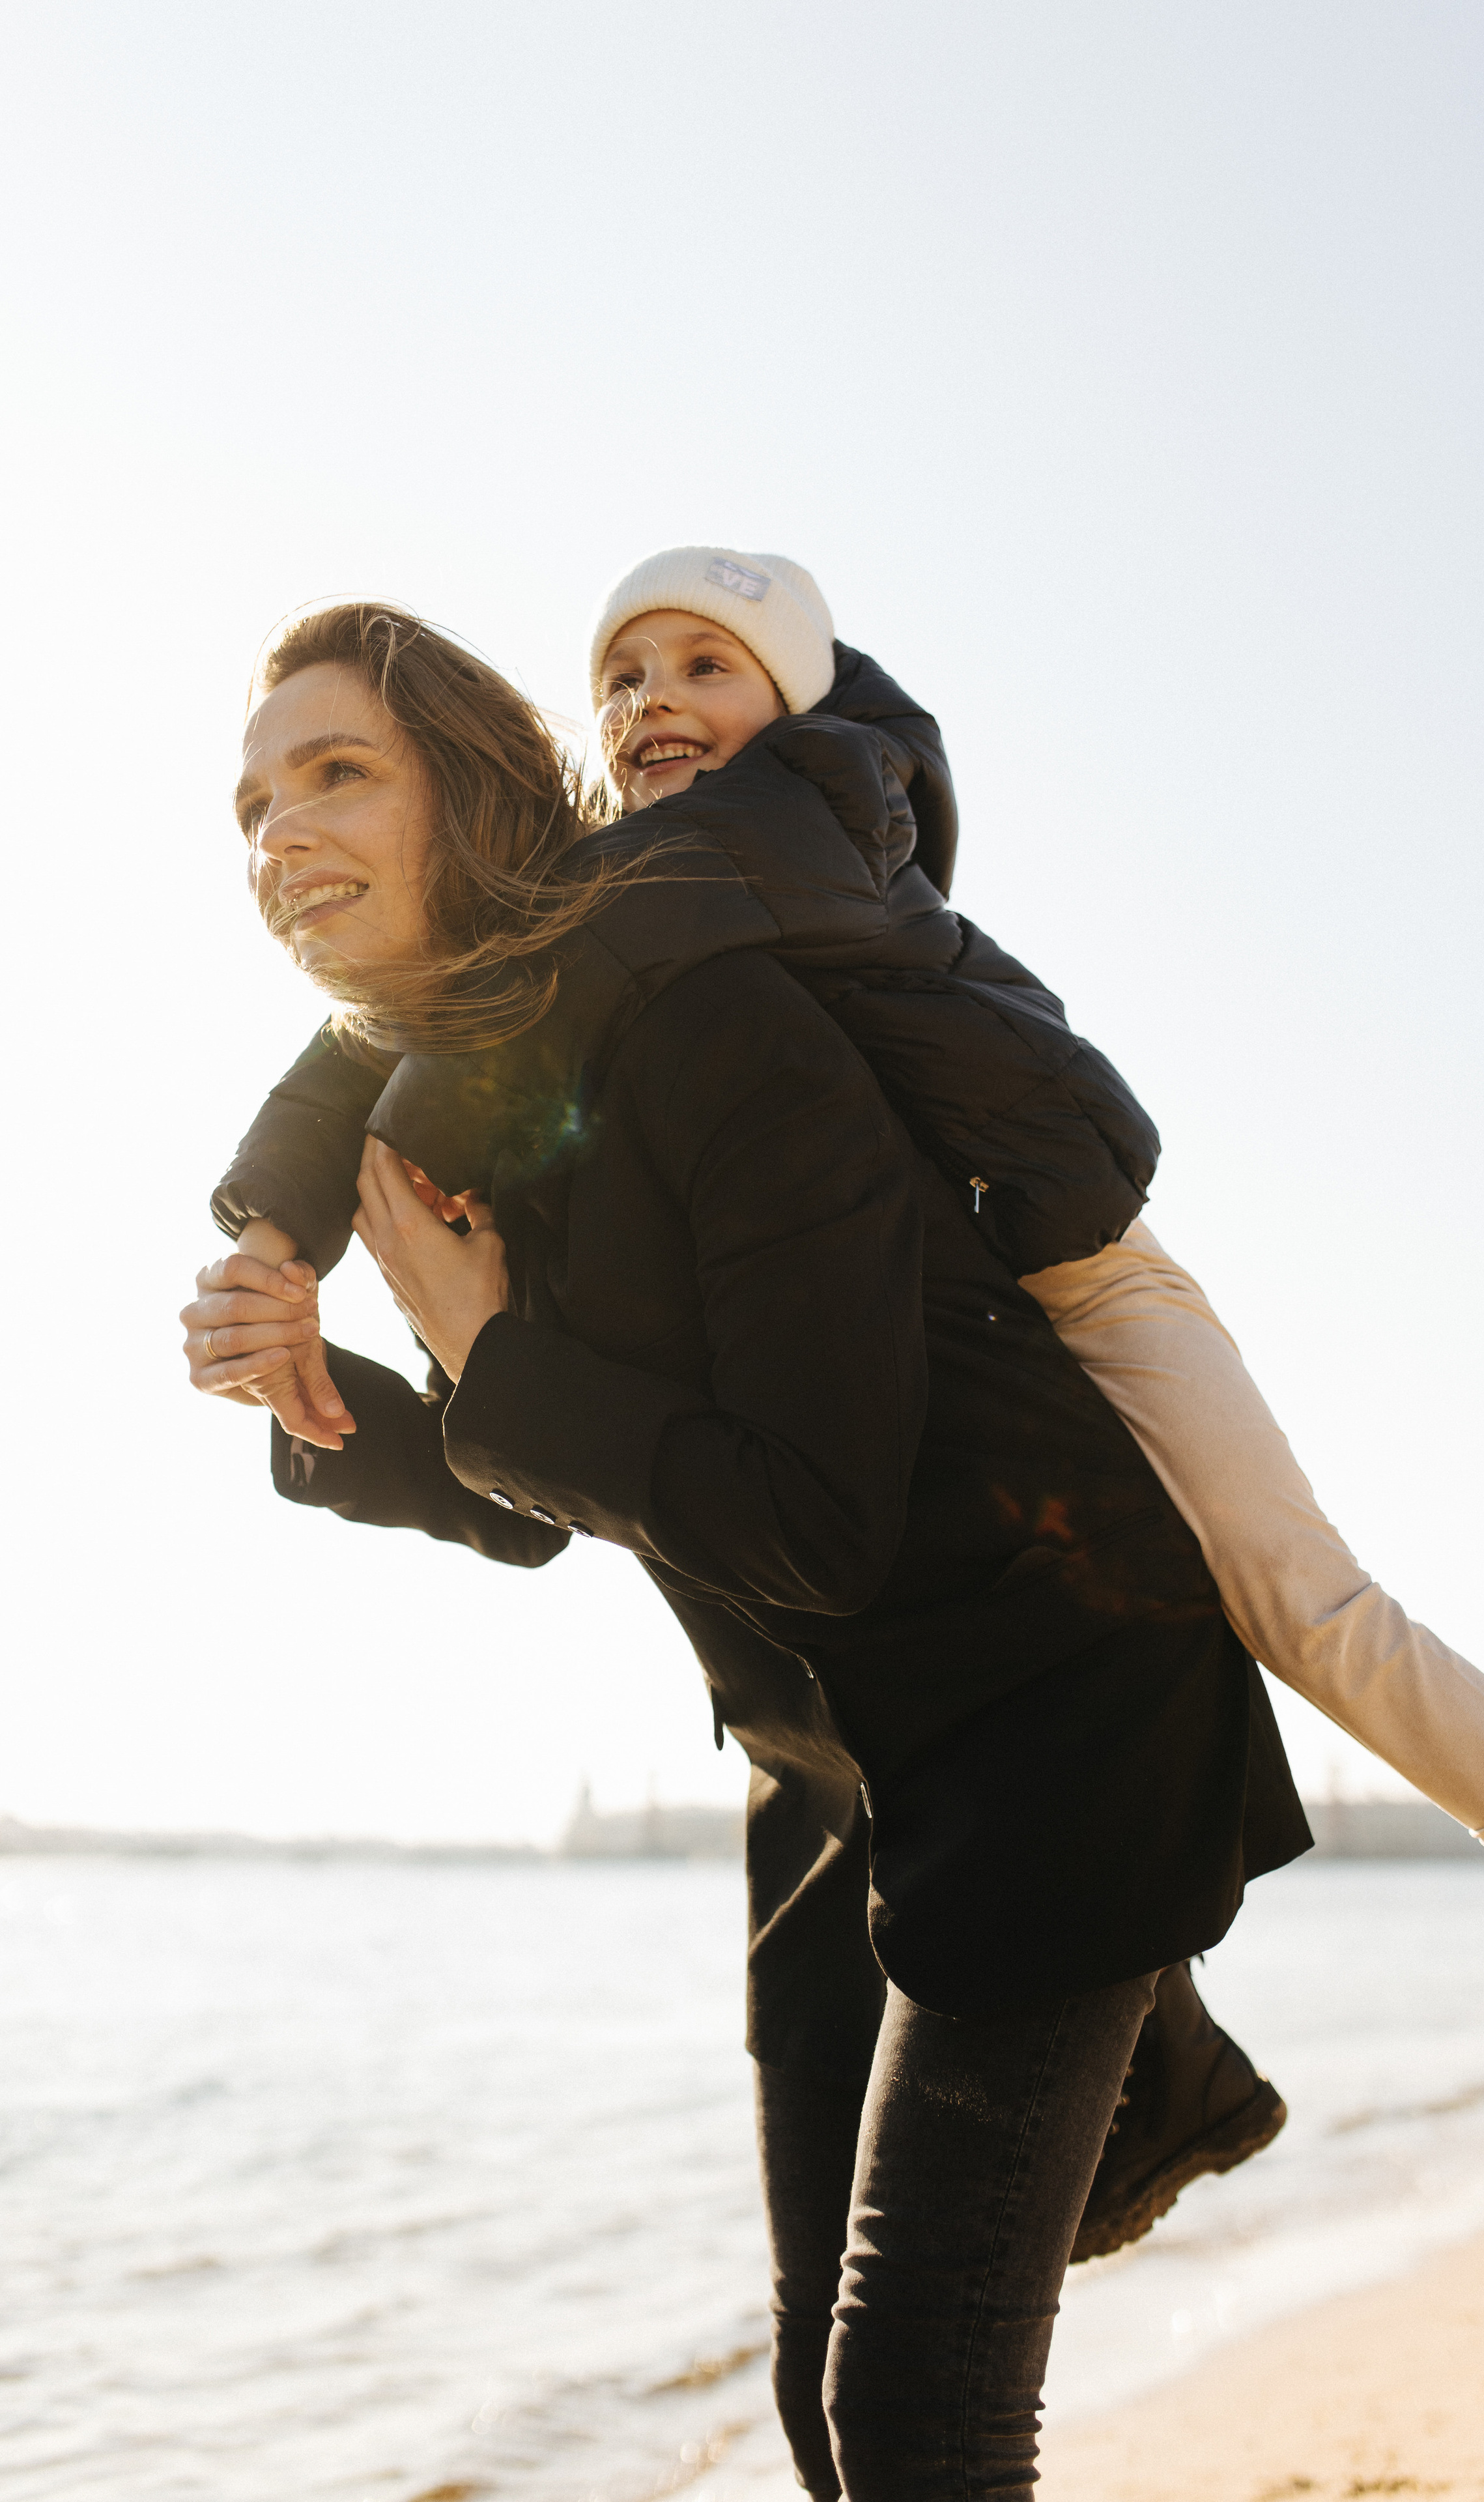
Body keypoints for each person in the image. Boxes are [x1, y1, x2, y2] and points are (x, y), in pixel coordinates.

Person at [197, 561, 1484, 2280]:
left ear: (805, 697)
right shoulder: (625, 893)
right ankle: (1173, 2064)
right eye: (621, 677)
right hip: (908, 1439)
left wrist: (341, 1184)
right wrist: (293, 1275)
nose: (653, 702)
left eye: (703, 663)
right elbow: (401, 1077)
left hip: (1081, 1268)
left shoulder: (804, 803)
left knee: (1294, 1601)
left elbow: (404, 1039)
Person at [184, 599, 1317, 2495]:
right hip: (824, 1776)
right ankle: (1168, 2083)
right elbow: (552, 1503)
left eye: (335, 775)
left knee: (915, 2411)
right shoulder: (459, 1093)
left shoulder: (708, 1014)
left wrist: (484, 1349)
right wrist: (333, 1409)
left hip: (1050, 1711)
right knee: (823, 2406)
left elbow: (813, 1506)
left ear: (474, 794)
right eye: (248, 801)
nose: (274, 834)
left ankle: (1153, 2063)